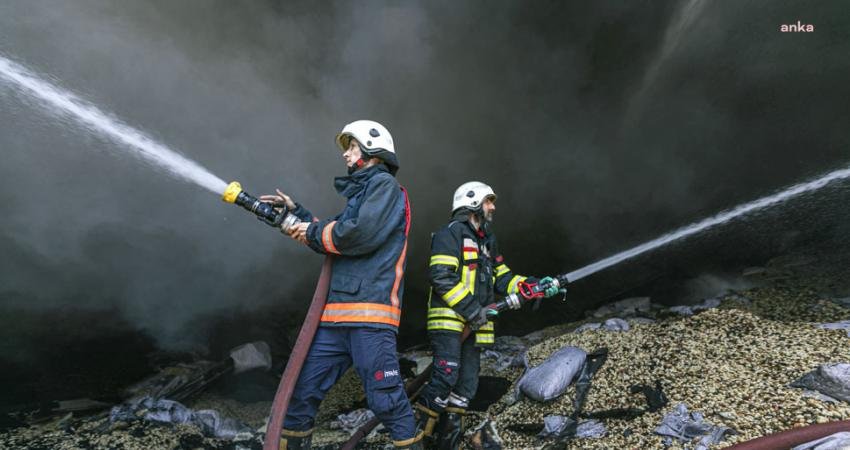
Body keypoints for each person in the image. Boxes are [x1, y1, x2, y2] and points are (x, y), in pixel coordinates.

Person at [260, 120, 422, 450]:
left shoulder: (385, 190)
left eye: (352, 147)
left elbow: (356, 235)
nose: (346, 154)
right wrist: (297, 215)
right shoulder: (362, 196)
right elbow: (338, 232)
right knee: (300, 395)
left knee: (387, 401)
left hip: (370, 319)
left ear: (373, 150)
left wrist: (309, 231)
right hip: (336, 320)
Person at [413, 181, 562, 449]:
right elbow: (441, 276)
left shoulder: (488, 241)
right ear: (471, 203)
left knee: (467, 384)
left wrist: (531, 285)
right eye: (488, 201)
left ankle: (445, 443)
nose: (492, 207)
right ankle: (413, 439)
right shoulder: (451, 235)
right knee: (445, 377)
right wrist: (472, 310)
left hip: (476, 324)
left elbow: (502, 278)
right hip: (450, 323)